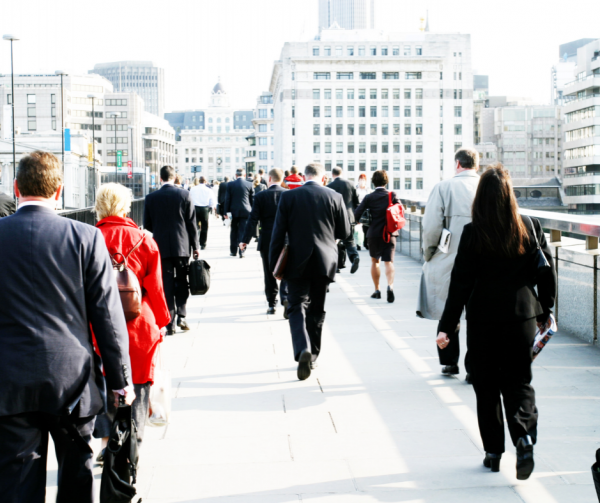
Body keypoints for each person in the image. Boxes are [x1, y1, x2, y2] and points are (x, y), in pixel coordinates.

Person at [0, 151, 133, 503]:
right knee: (77, 474)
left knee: (16, 482)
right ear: (59, 191)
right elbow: (108, 317)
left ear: (16, 188)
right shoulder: (86, 238)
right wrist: (121, 382)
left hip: (9, 379)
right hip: (70, 381)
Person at [436, 164, 556, 480]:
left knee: (486, 385)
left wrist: (446, 327)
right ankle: (525, 438)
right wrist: (545, 309)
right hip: (522, 317)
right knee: (519, 382)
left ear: (482, 199)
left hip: (483, 319)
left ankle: (493, 451)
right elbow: (547, 271)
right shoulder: (530, 226)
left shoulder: (473, 232)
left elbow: (460, 283)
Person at [92, 183, 170, 457]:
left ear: (98, 206)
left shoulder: (89, 237)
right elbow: (156, 288)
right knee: (137, 386)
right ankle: (130, 451)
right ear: (125, 206)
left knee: (103, 382)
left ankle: (106, 442)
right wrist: (162, 321)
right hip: (138, 325)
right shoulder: (144, 240)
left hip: (97, 327)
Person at [270, 163, 350, 381]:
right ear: (323, 178)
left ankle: (302, 347)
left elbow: (278, 234)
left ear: (304, 177)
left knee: (296, 306)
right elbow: (344, 230)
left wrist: (273, 265)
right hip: (324, 261)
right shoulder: (334, 196)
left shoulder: (289, 197)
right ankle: (313, 355)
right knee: (317, 308)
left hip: (296, 261)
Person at [416, 147, 480, 380]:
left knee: (448, 308)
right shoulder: (486, 186)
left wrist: (429, 253)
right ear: (476, 165)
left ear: (457, 164)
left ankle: (449, 362)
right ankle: (474, 366)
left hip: (450, 257)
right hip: (483, 258)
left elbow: (432, 225)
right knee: (477, 314)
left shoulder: (443, 188)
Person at [144, 165, 200, 335]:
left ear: (160, 178)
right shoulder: (184, 194)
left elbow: (147, 225)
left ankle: (169, 323)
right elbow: (192, 223)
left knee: (166, 284)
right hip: (182, 246)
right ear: (175, 177)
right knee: (182, 280)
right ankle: (182, 315)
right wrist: (196, 246)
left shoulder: (151, 197)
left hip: (160, 246)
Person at [240, 168, 289, 316]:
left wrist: (245, 240)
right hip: (286, 239)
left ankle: (271, 304)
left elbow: (253, 219)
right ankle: (286, 298)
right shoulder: (288, 195)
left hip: (267, 238)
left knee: (269, 273)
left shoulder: (260, 196)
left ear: (269, 179)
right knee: (286, 269)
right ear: (282, 179)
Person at [354, 170, 399, 303]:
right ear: (387, 181)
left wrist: (361, 221)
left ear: (373, 182)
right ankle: (390, 287)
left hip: (374, 233)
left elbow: (357, 214)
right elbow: (400, 210)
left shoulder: (369, 197)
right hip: (390, 233)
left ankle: (377, 290)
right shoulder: (392, 195)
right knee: (389, 262)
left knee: (375, 262)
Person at [328, 167, 360, 274]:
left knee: (335, 242)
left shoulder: (329, 187)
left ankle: (336, 265)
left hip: (334, 218)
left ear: (332, 174)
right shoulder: (351, 184)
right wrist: (357, 217)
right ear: (342, 173)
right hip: (349, 217)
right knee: (349, 240)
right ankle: (354, 257)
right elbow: (356, 202)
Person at [224, 168, 254, 258]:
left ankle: (233, 251)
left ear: (236, 175)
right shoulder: (249, 184)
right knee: (243, 231)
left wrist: (225, 212)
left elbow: (227, 199)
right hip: (246, 211)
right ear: (244, 175)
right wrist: (253, 211)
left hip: (233, 211)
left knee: (233, 230)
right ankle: (242, 251)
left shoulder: (230, 184)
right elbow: (252, 199)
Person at [190, 175, 216, 250]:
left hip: (195, 207)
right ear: (205, 181)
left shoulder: (193, 189)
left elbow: (190, 198)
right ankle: (203, 243)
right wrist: (210, 208)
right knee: (204, 226)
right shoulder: (208, 190)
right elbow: (212, 201)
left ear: (199, 181)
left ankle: (195, 242)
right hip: (204, 208)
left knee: (195, 226)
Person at [355, 173, 371, 250]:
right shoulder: (355, 189)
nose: (362, 181)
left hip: (366, 210)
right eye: (361, 180)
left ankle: (365, 243)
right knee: (356, 228)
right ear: (358, 180)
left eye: (363, 180)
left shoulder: (368, 189)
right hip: (357, 209)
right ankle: (358, 244)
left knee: (365, 228)